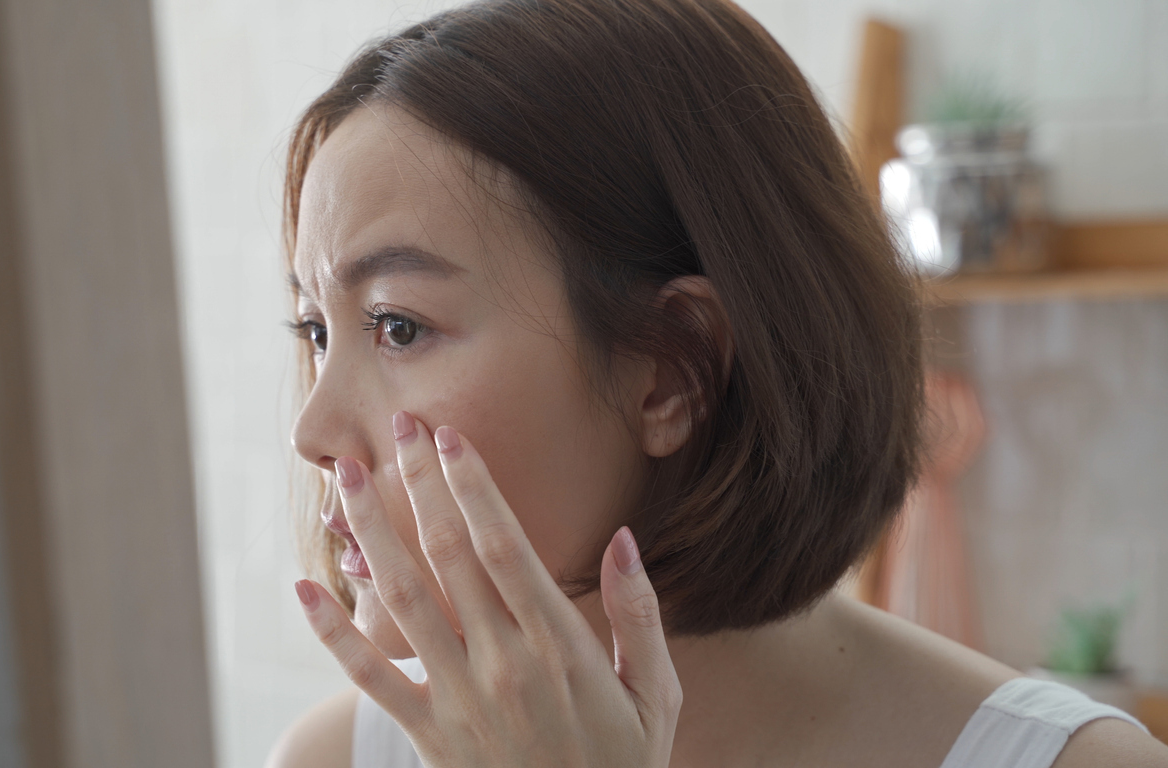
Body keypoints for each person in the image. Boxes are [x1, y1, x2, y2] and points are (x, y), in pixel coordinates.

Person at [265, 1, 1168, 766]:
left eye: (396, 326)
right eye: (315, 328)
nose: (312, 428)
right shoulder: (336, 756)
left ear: (671, 370)